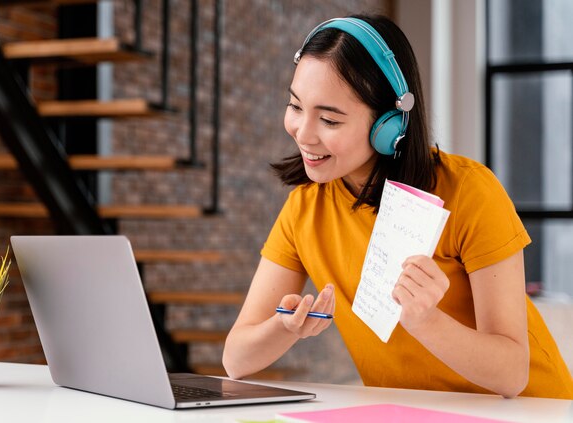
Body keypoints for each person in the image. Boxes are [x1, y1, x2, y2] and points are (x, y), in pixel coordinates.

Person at [222, 14, 573, 399]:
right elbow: (236, 361)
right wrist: (284, 328)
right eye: (295, 106)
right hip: (412, 411)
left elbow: (511, 376)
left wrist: (426, 322)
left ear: (389, 124)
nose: (303, 133)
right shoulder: (304, 209)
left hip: (531, 411)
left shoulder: (471, 193)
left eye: (329, 119)